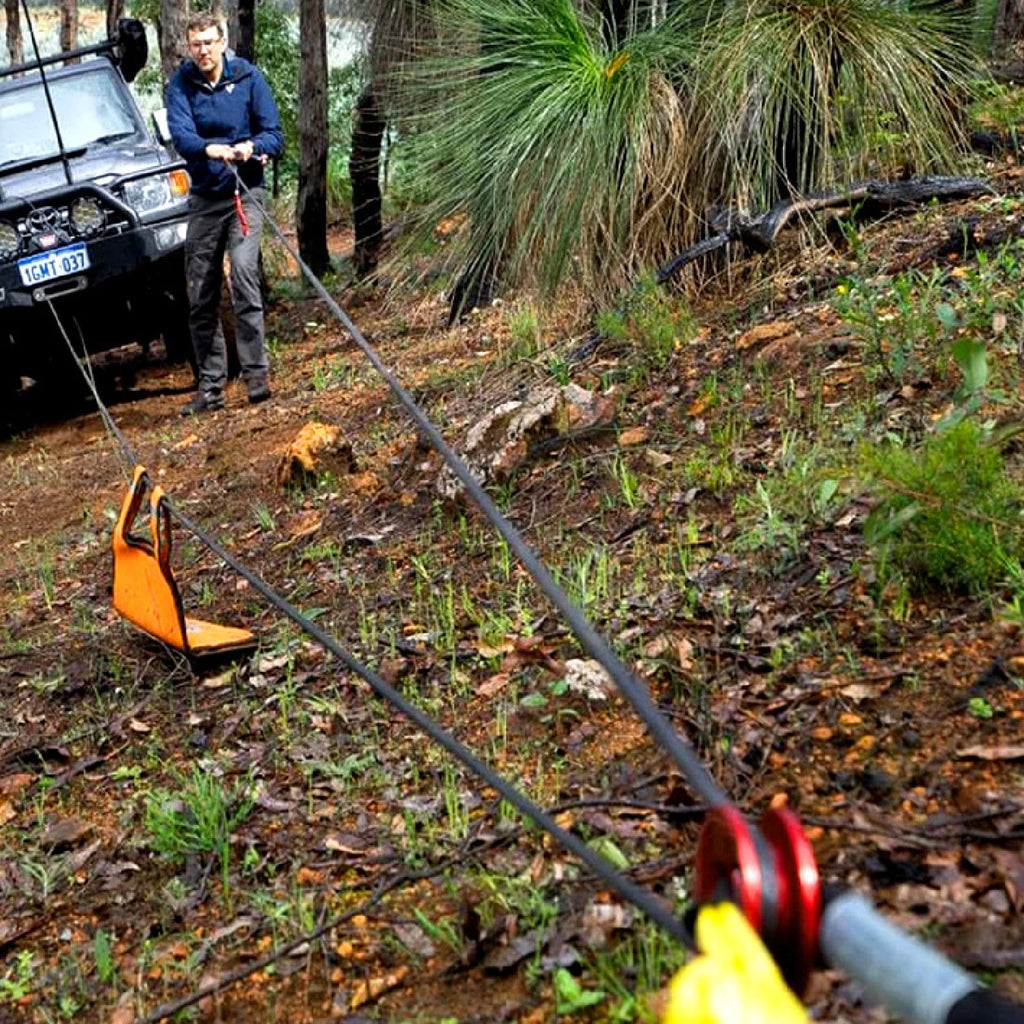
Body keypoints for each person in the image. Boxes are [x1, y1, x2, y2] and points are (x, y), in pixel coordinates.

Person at [165, 13, 284, 414]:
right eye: (195, 44)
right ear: (188, 47)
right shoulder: (180, 84)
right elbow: (182, 136)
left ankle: (256, 376)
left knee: (246, 276)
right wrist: (209, 149)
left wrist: (251, 147)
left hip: (245, 192)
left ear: (222, 42)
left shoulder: (249, 78)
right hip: (205, 197)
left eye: (209, 43)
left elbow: (275, 135)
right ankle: (211, 387)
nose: (203, 51)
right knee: (200, 291)